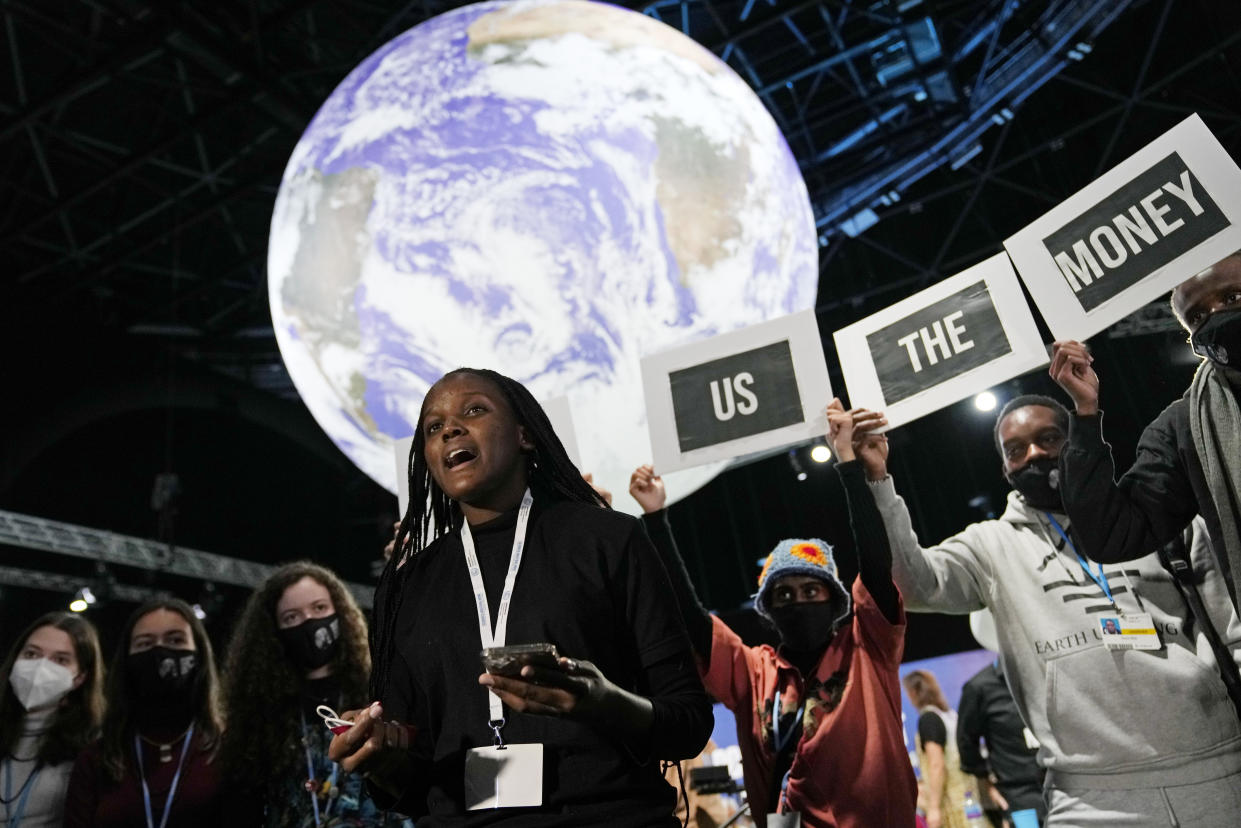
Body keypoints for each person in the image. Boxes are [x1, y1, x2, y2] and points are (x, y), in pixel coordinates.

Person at [329, 367, 713, 826]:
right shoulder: (407, 585)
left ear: (524, 435)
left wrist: (604, 702)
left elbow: (688, 722)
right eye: (434, 426)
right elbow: (411, 786)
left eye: (473, 409)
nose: (450, 428)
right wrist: (379, 757)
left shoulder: (609, 540)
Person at [867, 392, 1241, 826]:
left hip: (1219, 767)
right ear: (1004, 468)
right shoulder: (990, 547)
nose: (1034, 455)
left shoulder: (1155, 513)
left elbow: (1232, 627)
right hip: (1087, 796)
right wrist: (877, 481)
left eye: (1049, 439)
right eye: (1016, 450)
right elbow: (911, 584)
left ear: (1076, 442)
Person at [628, 401, 917, 828]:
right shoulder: (751, 672)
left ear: (835, 600)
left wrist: (850, 467)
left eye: (810, 589)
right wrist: (657, 519)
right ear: (768, 609)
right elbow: (689, 617)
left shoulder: (867, 645)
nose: (797, 601)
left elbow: (875, 562)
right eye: (782, 594)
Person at [1050, 251, 1241, 612]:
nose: (1216, 316)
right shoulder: (1184, 428)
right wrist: (1086, 414)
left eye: (1231, 298)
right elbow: (1113, 536)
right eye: (1197, 317)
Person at [219, 561, 397, 827]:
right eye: (292, 617)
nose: (310, 622)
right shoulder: (258, 714)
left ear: (341, 613)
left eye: (319, 608)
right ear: (273, 632)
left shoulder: (380, 692)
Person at [64, 598, 225, 827]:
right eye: (144, 643)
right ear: (126, 661)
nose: (159, 650)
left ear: (199, 654)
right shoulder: (97, 758)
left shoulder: (228, 750)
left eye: (175, 640)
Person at [0, 612, 104, 828]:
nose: (40, 668)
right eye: (31, 654)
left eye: (60, 660)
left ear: (80, 678)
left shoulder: (93, 744)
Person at [956, 661, 1045, 824]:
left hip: (1067, 788)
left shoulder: (1045, 672)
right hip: (1021, 798)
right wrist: (986, 782)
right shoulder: (979, 688)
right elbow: (966, 743)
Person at [903, 669, 968, 828]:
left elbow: (936, 764)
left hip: (951, 806)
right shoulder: (950, 715)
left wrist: (933, 809)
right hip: (966, 800)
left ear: (914, 692)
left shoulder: (929, 718)